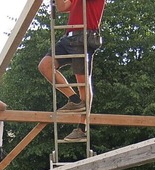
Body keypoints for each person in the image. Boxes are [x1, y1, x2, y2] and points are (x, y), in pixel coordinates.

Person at [38, 0, 106, 142]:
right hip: (68, 37)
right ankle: (74, 100)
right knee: (45, 66)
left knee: (83, 83)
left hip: (84, 36)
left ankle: (82, 128)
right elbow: (63, 7)